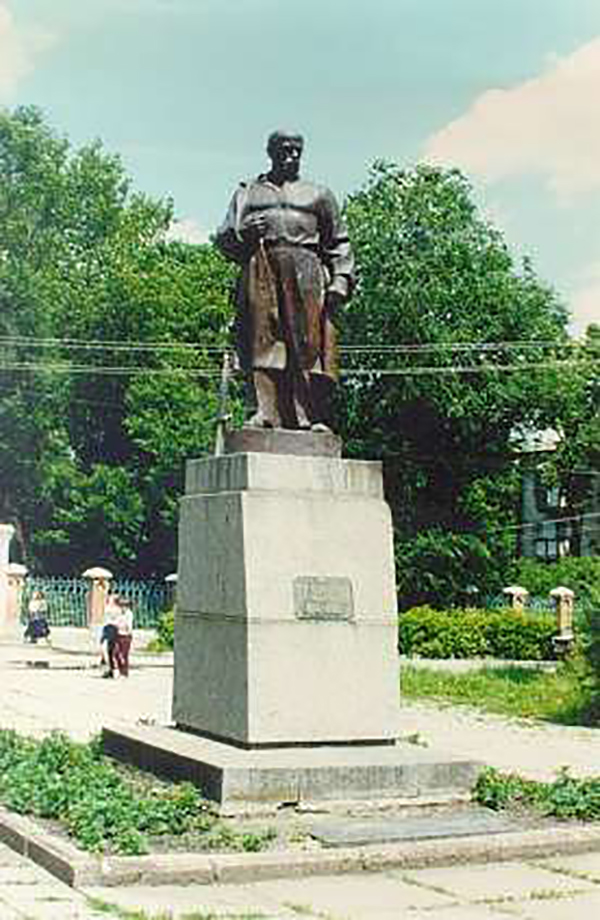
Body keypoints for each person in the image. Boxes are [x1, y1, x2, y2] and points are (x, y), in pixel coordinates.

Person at [215, 131, 355, 431]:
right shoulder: (248, 194)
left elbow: (339, 242)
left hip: (305, 267)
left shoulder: (319, 194)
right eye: (284, 150)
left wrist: (341, 279)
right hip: (261, 264)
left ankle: (307, 416)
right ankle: (266, 413)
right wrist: (244, 232)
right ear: (270, 152)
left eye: (296, 150)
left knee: (307, 344)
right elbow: (224, 239)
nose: (290, 156)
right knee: (262, 340)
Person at [113, 595, 133, 678]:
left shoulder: (129, 614)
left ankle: (125, 672)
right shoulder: (119, 614)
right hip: (119, 634)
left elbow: (129, 625)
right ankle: (121, 670)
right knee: (116, 653)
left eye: (124, 605)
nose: (123, 607)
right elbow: (116, 623)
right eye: (121, 605)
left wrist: (128, 633)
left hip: (126, 635)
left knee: (124, 654)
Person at [100, 593, 120, 678]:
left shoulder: (117, 609)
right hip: (106, 629)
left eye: (110, 599)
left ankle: (114, 670)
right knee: (104, 649)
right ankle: (109, 669)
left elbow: (117, 620)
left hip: (113, 629)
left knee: (111, 651)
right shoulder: (107, 608)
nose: (108, 599)